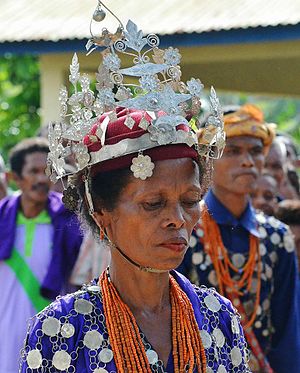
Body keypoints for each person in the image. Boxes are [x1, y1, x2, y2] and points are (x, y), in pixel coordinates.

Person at [19, 10, 250, 373]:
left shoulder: (218, 318)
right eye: (153, 204)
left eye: (190, 202)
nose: (177, 220)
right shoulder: (60, 332)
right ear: (103, 217)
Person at [178, 104, 300, 372]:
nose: (248, 161)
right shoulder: (183, 229)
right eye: (232, 151)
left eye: (256, 151)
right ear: (207, 159)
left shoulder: (278, 237)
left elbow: (287, 334)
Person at [0, 137, 82, 373]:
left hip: (55, 332)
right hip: (5, 335)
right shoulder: (2, 219)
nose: (41, 179)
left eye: (46, 171)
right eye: (33, 171)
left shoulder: (69, 221)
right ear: (14, 177)